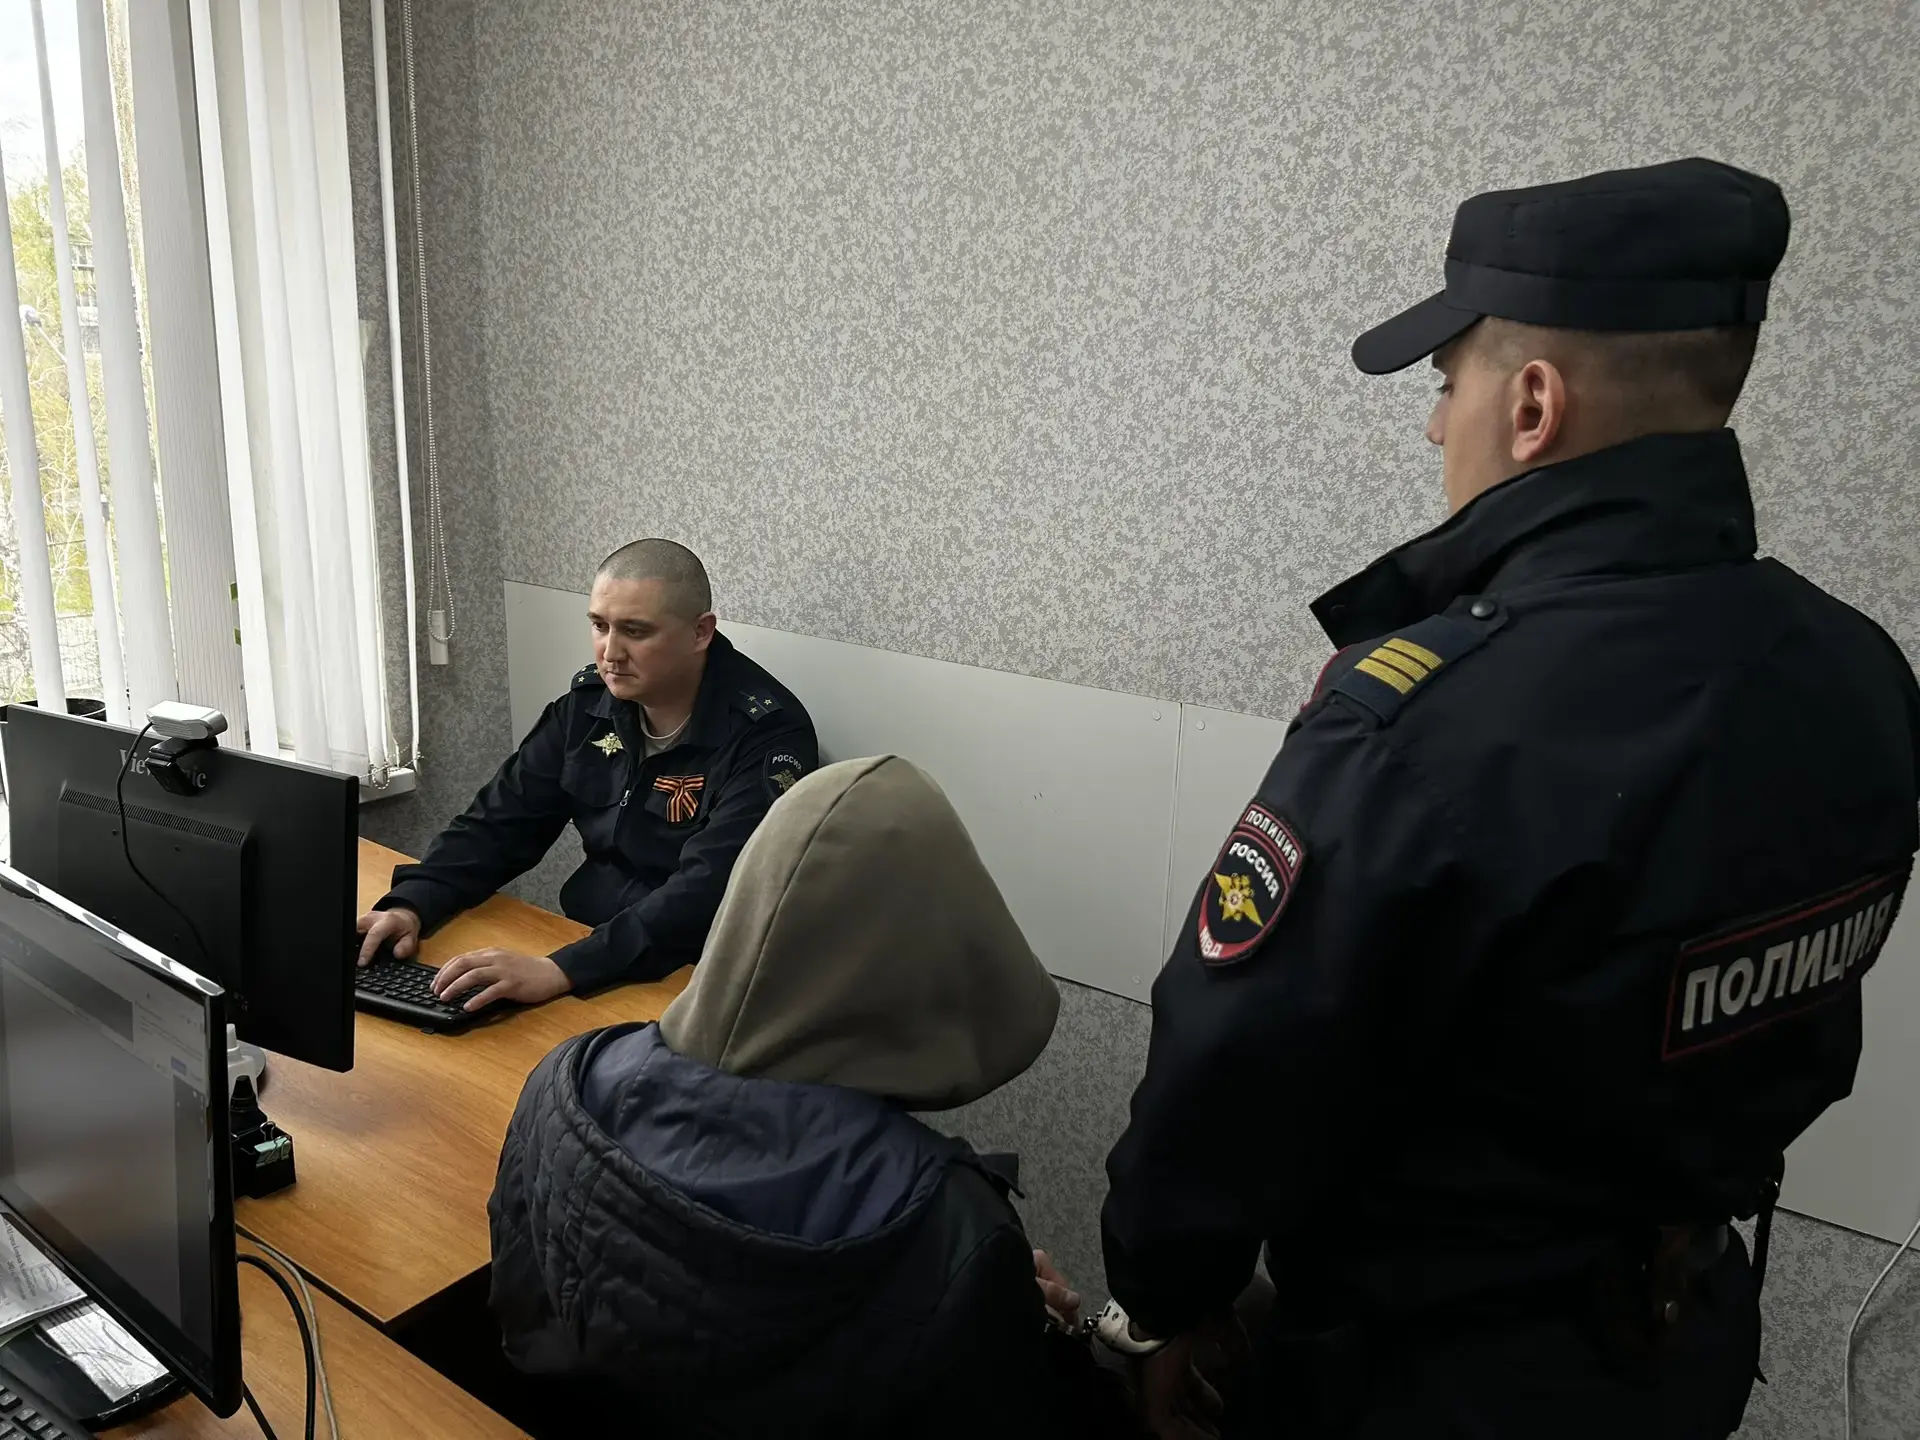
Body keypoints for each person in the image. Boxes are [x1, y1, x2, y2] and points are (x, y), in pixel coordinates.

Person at [1098, 158, 1920, 1440]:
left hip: (1431, 1379)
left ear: (1532, 403)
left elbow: (1233, 1071)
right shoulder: (1856, 669)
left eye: (1445, 384)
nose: (1437, 428)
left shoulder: (1426, 724)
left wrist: (1167, 1301)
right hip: (1690, 1338)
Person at [487, 756, 1136, 1438]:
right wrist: (1038, 1331)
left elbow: (523, 1331)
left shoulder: (567, 1081)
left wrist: (985, 1297)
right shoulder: (948, 1225)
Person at [356, 539, 817, 1010]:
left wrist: (561, 970)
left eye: (635, 631)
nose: (611, 653)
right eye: (600, 625)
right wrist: (412, 902)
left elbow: (708, 892)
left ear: (700, 632)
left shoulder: (767, 736)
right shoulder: (589, 706)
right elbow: (499, 823)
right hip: (592, 948)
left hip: (697, 973)